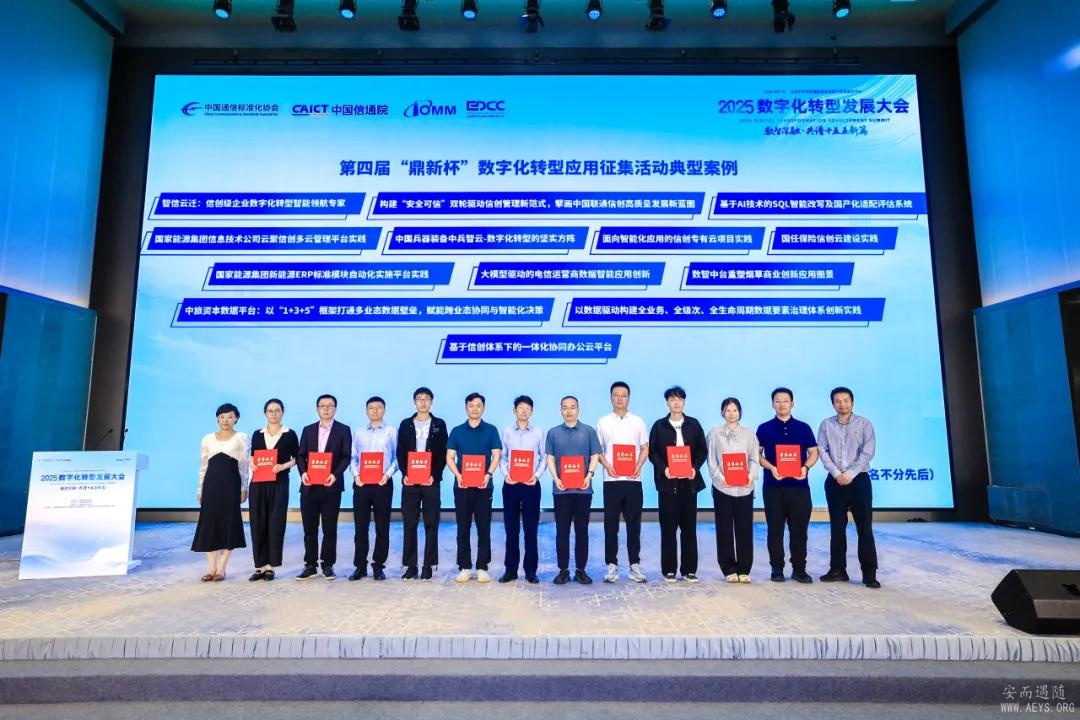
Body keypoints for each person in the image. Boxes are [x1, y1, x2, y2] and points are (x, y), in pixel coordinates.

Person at [817, 387, 880, 588]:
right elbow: (822, 450)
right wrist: (837, 474)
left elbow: (868, 452)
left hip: (859, 480)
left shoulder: (864, 424)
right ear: (833, 403)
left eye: (846, 400)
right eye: (838, 401)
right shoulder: (826, 424)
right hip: (835, 481)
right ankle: (838, 570)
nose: (842, 404)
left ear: (852, 402)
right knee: (837, 527)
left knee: (864, 528)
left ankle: (869, 574)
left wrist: (850, 474)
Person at [756, 387, 819, 584]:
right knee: (774, 529)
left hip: (799, 487)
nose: (782, 404)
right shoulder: (764, 428)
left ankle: (799, 570)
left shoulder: (803, 428)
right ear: (772, 404)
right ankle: (777, 569)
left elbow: (814, 452)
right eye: (778, 401)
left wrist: (805, 467)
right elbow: (756, 454)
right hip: (773, 487)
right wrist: (771, 467)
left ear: (792, 403)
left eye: (785, 400)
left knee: (799, 530)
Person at [648, 386, 708, 583]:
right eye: (673, 399)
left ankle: (689, 570)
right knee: (668, 529)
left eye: (680, 399)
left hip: (689, 484)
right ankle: (669, 570)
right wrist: (664, 468)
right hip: (668, 485)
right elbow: (652, 452)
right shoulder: (659, 426)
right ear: (667, 402)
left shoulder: (694, 424)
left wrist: (695, 468)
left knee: (689, 528)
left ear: (684, 402)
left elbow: (702, 450)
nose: (676, 402)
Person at [595, 381, 649, 584]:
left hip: (633, 480)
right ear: (611, 398)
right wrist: (607, 465)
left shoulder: (638, 422)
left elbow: (645, 447)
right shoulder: (603, 422)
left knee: (634, 525)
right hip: (612, 480)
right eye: (616, 395)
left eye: (623, 395)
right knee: (611, 525)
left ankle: (634, 565)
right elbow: (597, 450)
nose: (620, 398)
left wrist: (638, 465)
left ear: (629, 398)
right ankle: (611, 565)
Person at [545, 395, 601, 585]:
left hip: (583, 490)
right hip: (561, 490)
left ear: (578, 409)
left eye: (572, 407)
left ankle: (581, 571)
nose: (569, 411)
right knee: (562, 531)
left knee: (581, 531)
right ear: (560, 410)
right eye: (565, 407)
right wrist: (556, 478)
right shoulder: (553, 433)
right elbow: (550, 458)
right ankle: (563, 570)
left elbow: (595, 455)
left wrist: (589, 475)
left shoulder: (588, 431)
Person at [446, 392, 502, 583]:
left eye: (478, 405)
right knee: (463, 527)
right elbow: (450, 457)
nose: (475, 409)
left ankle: (482, 567)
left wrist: (488, 474)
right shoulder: (457, 431)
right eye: (471, 405)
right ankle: (464, 567)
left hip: (484, 486)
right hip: (462, 486)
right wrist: (458, 475)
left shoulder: (491, 430)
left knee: (483, 527)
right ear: (466, 408)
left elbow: (496, 455)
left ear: (483, 408)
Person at [295, 394, 352, 580]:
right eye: (322, 405)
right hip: (309, 486)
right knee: (309, 529)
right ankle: (310, 565)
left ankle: (328, 565)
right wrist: (303, 473)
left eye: (330, 405)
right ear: (317, 409)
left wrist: (335, 475)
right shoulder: (308, 430)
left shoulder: (343, 430)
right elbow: (300, 455)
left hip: (331, 485)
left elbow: (346, 456)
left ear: (335, 408)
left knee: (329, 528)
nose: (326, 408)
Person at [192, 402, 249, 582]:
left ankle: (222, 568)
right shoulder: (207, 438)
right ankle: (211, 568)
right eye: (222, 416)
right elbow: (203, 466)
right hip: (211, 485)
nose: (226, 420)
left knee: (229, 524)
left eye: (230, 416)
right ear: (217, 419)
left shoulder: (242, 437)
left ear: (236, 418)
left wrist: (244, 487)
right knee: (210, 524)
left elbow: (244, 466)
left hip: (231, 485)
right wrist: (200, 489)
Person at [706, 397, 760, 584]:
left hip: (744, 488)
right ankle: (729, 569)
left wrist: (750, 475)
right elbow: (711, 460)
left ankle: (744, 569)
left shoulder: (749, 433)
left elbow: (754, 458)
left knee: (745, 529)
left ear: (740, 412)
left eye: (735, 410)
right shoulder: (714, 433)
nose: (731, 413)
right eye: (728, 410)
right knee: (724, 529)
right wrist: (721, 478)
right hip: (722, 488)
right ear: (722, 412)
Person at [396, 386, 447, 581]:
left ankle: (428, 565)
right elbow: (400, 451)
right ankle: (411, 566)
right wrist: (405, 474)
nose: (423, 402)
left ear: (432, 402)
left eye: (426, 398)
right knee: (410, 523)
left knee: (431, 523)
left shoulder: (439, 424)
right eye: (419, 398)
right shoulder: (406, 424)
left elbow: (443, 452)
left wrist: (435, 474)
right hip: (410, 482)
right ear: (414, 402)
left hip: (431, 481)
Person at [248, 398, 298, 581]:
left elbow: (298, 458)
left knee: (276, 522)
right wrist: (252, 463)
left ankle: (270, 567)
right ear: (265, 414)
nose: (274, 414)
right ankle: (260, 566)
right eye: (270, 411)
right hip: (258, 484)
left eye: (277, 410)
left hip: (279, 483)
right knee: (257, 522)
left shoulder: (290, 434)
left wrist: (283, 466)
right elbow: (252, 455)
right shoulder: (257, 434)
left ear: (283, 412)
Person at [349, 396, 398, 582]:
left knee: (382, 526)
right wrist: (356, 475)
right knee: (360, 527)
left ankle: (378, 566)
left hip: (383, 484)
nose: (375, 410)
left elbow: (397, 457)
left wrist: (387, 475)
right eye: (371, 408)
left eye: (379, 407)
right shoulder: (359, 432)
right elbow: (353, 457)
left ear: (384, 410)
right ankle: (360, 566)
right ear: (366, 411)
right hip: (361, 484)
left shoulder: (392, 431)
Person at [498, 395, 545, 584]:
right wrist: (505, 473)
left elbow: (544, 457)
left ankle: (531, 571)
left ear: (531, 412)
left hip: (531, 486)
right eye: (520, 408)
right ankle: (510, 570)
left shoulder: (539, 432)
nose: (524, 411)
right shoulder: (507, 431)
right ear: (514, 410)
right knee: (511, 530)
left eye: (527, 408)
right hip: (511, 485)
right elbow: (502, 456)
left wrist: (537, 476)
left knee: (531, 530)